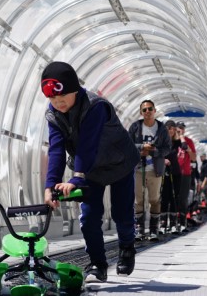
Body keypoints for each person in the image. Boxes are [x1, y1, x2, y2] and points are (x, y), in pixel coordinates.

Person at [41, 61, 139, 282]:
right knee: (89, 217)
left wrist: (77, 178)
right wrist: (50, 186)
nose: (58, 102)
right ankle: (98, 264)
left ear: (75, 89)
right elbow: (56, 149)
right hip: (90, 169)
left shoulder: (95, 106)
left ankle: (126, 248)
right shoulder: (53, 114)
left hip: (119, 162)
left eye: (62, 96)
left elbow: (88, 144)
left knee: (121, 212)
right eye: (52, 99)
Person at [127, 100, 171, 240]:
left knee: (154, 199)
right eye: (144, 110)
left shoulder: (162, 128)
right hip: (138, 168)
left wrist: (153, 151)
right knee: (138, 200)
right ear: (141, 112)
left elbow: (167, 148)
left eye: (150, 109)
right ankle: (139, 229)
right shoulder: (135, 127)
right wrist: (141, 148)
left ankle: (153, 229)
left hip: (155, 169)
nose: (147, 111)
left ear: (154, 110)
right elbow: (127, 144)